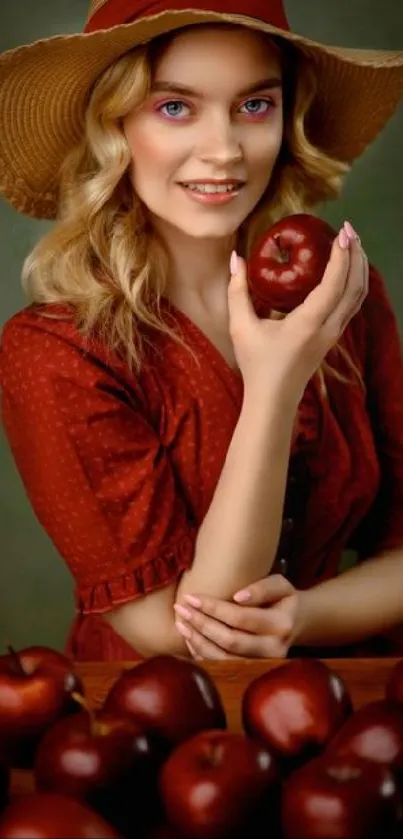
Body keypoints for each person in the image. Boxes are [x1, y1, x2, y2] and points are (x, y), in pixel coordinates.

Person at [0, 0, 403, 663]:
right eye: (174, 107)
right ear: (114, 126)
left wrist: (303, 616)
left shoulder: (340, 298)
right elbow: (187, 638)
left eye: (253, 106)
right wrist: (275, 387)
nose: (223, 151)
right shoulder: (56, 352)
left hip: (337, 716)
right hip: (148, 730)